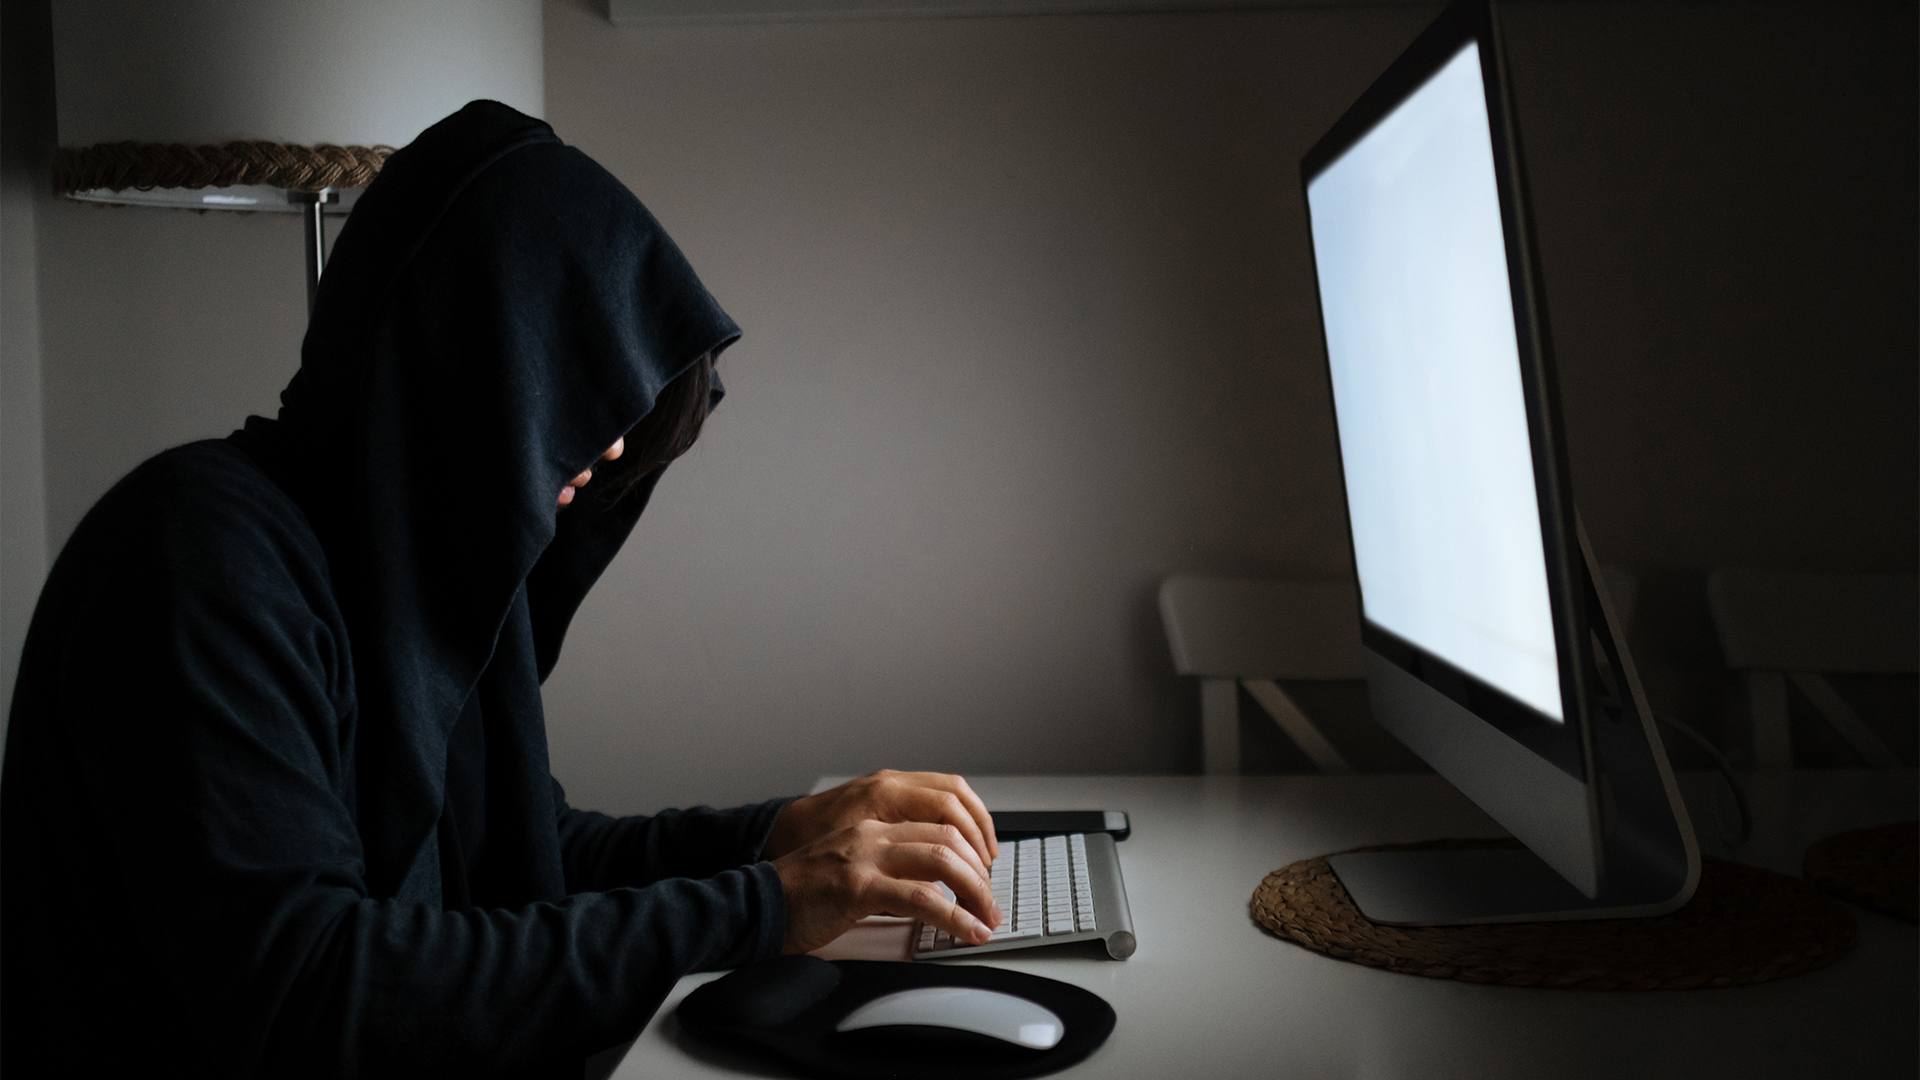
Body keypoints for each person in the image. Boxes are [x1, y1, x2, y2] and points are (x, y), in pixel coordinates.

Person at [0, 101, 1001, 1078]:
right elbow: (310, 995)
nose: (612, 443)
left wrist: (781, 839)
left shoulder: (416, 572)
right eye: (569, 363)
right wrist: (768, 906)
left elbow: (525, 856)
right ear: (463, 343)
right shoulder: (194, 555)